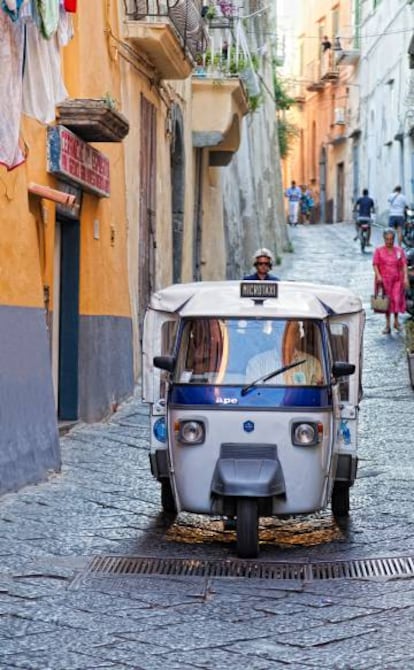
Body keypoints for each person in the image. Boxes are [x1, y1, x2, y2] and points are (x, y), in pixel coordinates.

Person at [372, 228, 409, 334]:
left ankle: (396, 322)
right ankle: (387, 325)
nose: (389, 241)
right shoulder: (379, 250)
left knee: (396, 299)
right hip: (384, 281)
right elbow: (375, 264)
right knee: (387, 302)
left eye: (391, 239)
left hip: (397, 279)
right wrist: (378, 276)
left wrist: (405, 277)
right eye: (387, 239)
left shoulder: (399, 250)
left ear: (394, 239)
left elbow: (404, 264)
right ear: (384, 239)